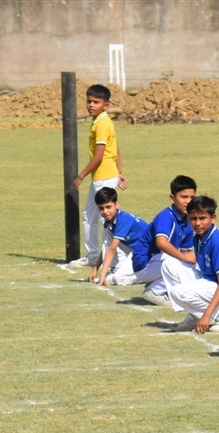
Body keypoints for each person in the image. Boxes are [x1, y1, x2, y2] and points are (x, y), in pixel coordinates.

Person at [70, 84, 126, 267]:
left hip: (103, 178)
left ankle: (114, 258)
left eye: (96, 102)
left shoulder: (102, 123)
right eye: (89, 101)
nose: (91, 105)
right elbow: (116, 148)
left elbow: (100, 155)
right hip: (106, 176)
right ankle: (94, 256)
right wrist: (119, 173)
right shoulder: (102, 121)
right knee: (91, 216)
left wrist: (81, 176)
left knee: (106, 218)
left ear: (106, 105)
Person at [165, 195, 219, 333]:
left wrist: (206, 315)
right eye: (193, 218)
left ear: (213, 218)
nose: (197, 223)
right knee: (169, 264)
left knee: (176, 292)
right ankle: (197, 313)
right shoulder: (198, 237)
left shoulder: (218, 241)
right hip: (210, 281)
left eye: (202, 218)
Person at [87, 188, 159, 291]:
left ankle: (149, 276)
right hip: (135, 250)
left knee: (119, 278)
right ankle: (117, 272)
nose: (105, 211)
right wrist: (95, 269)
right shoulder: (108, 222)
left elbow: (111, 249)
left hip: (148, 251)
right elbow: (106, 247)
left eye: (108, 207)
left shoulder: (123, 220)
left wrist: (102, 276)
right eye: (101, 208)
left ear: (117, 205)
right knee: (110, 243)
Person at [146, 175, 198, 307]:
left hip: (158, 261)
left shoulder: (187, 219)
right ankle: (154, 291)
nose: (188, 201)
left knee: (190, 264)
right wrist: (184, 258)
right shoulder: (166, 216)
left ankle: (159, 285)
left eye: (192, 197)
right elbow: (161, 243)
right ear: (172, 198)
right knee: (176, 262)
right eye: (184, 197)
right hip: (144, 263)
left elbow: (186, 250)